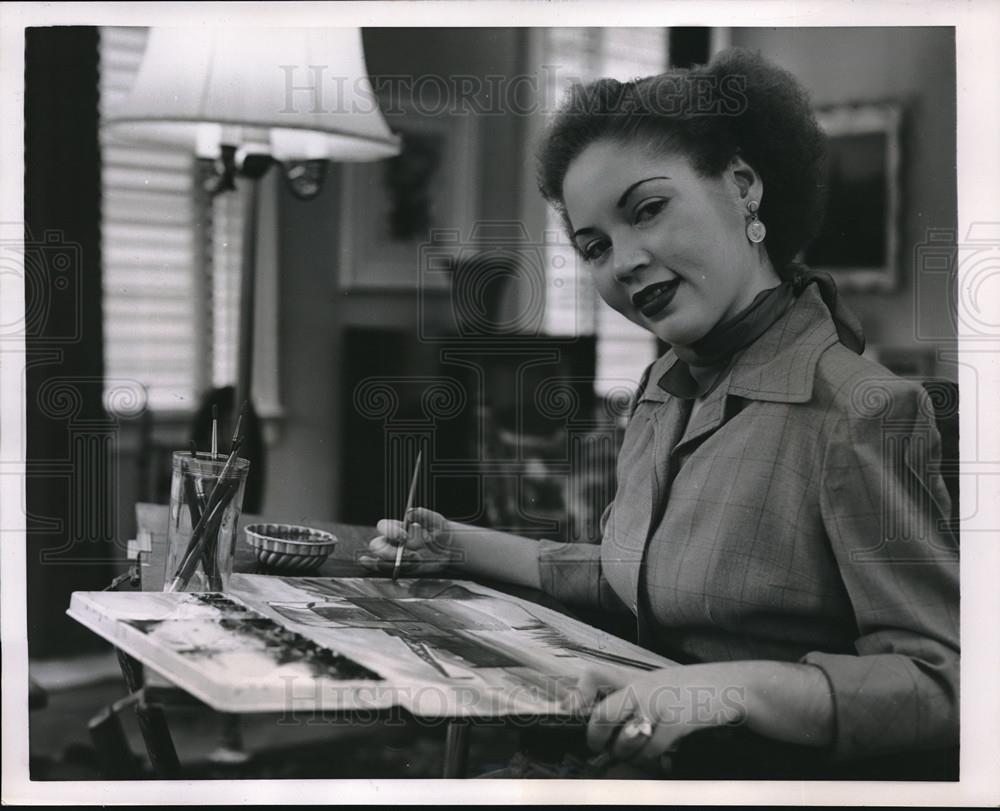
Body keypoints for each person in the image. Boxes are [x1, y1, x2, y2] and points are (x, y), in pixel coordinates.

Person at [361, 48, 959, 778]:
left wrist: (720, 691)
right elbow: (633, 576)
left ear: (743, 186)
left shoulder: (863, 410)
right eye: (595, 246)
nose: (624, 261)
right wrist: (455, 543)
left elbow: (943, 684)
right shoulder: (662, 389)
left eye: (648, 209)